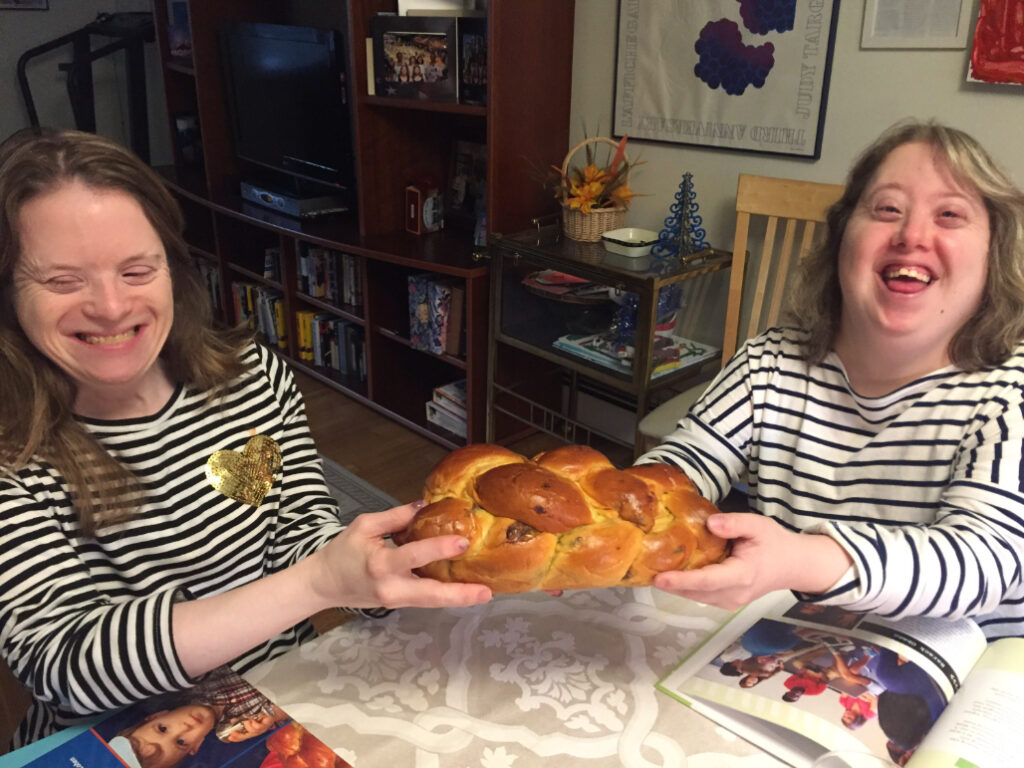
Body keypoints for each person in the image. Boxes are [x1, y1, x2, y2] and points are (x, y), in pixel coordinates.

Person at [0, 127, 491, 747]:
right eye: (63, 281)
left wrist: (379, 566)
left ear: (172, 268)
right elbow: (66, 666)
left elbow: (296, 528)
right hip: (117, 745)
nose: (111, 306)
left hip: (279, 702)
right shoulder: (12, 451)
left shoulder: (251, 380)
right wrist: (318, 584)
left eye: (135, 269)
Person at [641, 119, 1024, 640]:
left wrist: (805, 559)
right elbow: (680, 473)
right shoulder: (768, 364)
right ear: (843, 237)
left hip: (962, 681)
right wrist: (600, 527)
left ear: (992, 254)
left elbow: (985, 561)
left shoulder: (1010, 395)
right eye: (887, 209)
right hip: (791, 647)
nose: (912, 236)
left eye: (950, 215)